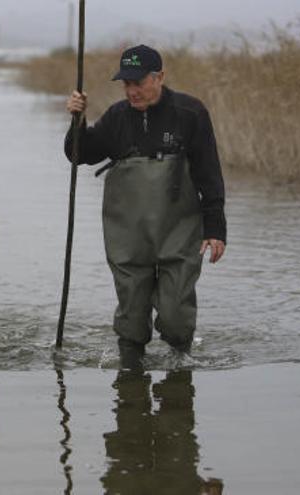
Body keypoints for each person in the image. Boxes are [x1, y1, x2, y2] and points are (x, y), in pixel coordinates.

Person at [64, 44, 226, 369]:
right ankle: (131, 375)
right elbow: (79, 154)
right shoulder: (116, 117)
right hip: (128, 236)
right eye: (126, 84)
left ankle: (179, 364)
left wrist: (216, 229)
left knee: (177, 315)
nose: (132, 91)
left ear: (160, 77)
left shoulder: (190, 113)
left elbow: (209, 174)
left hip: (179, 233)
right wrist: (77, 121)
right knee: (131, 318)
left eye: (138, 82)